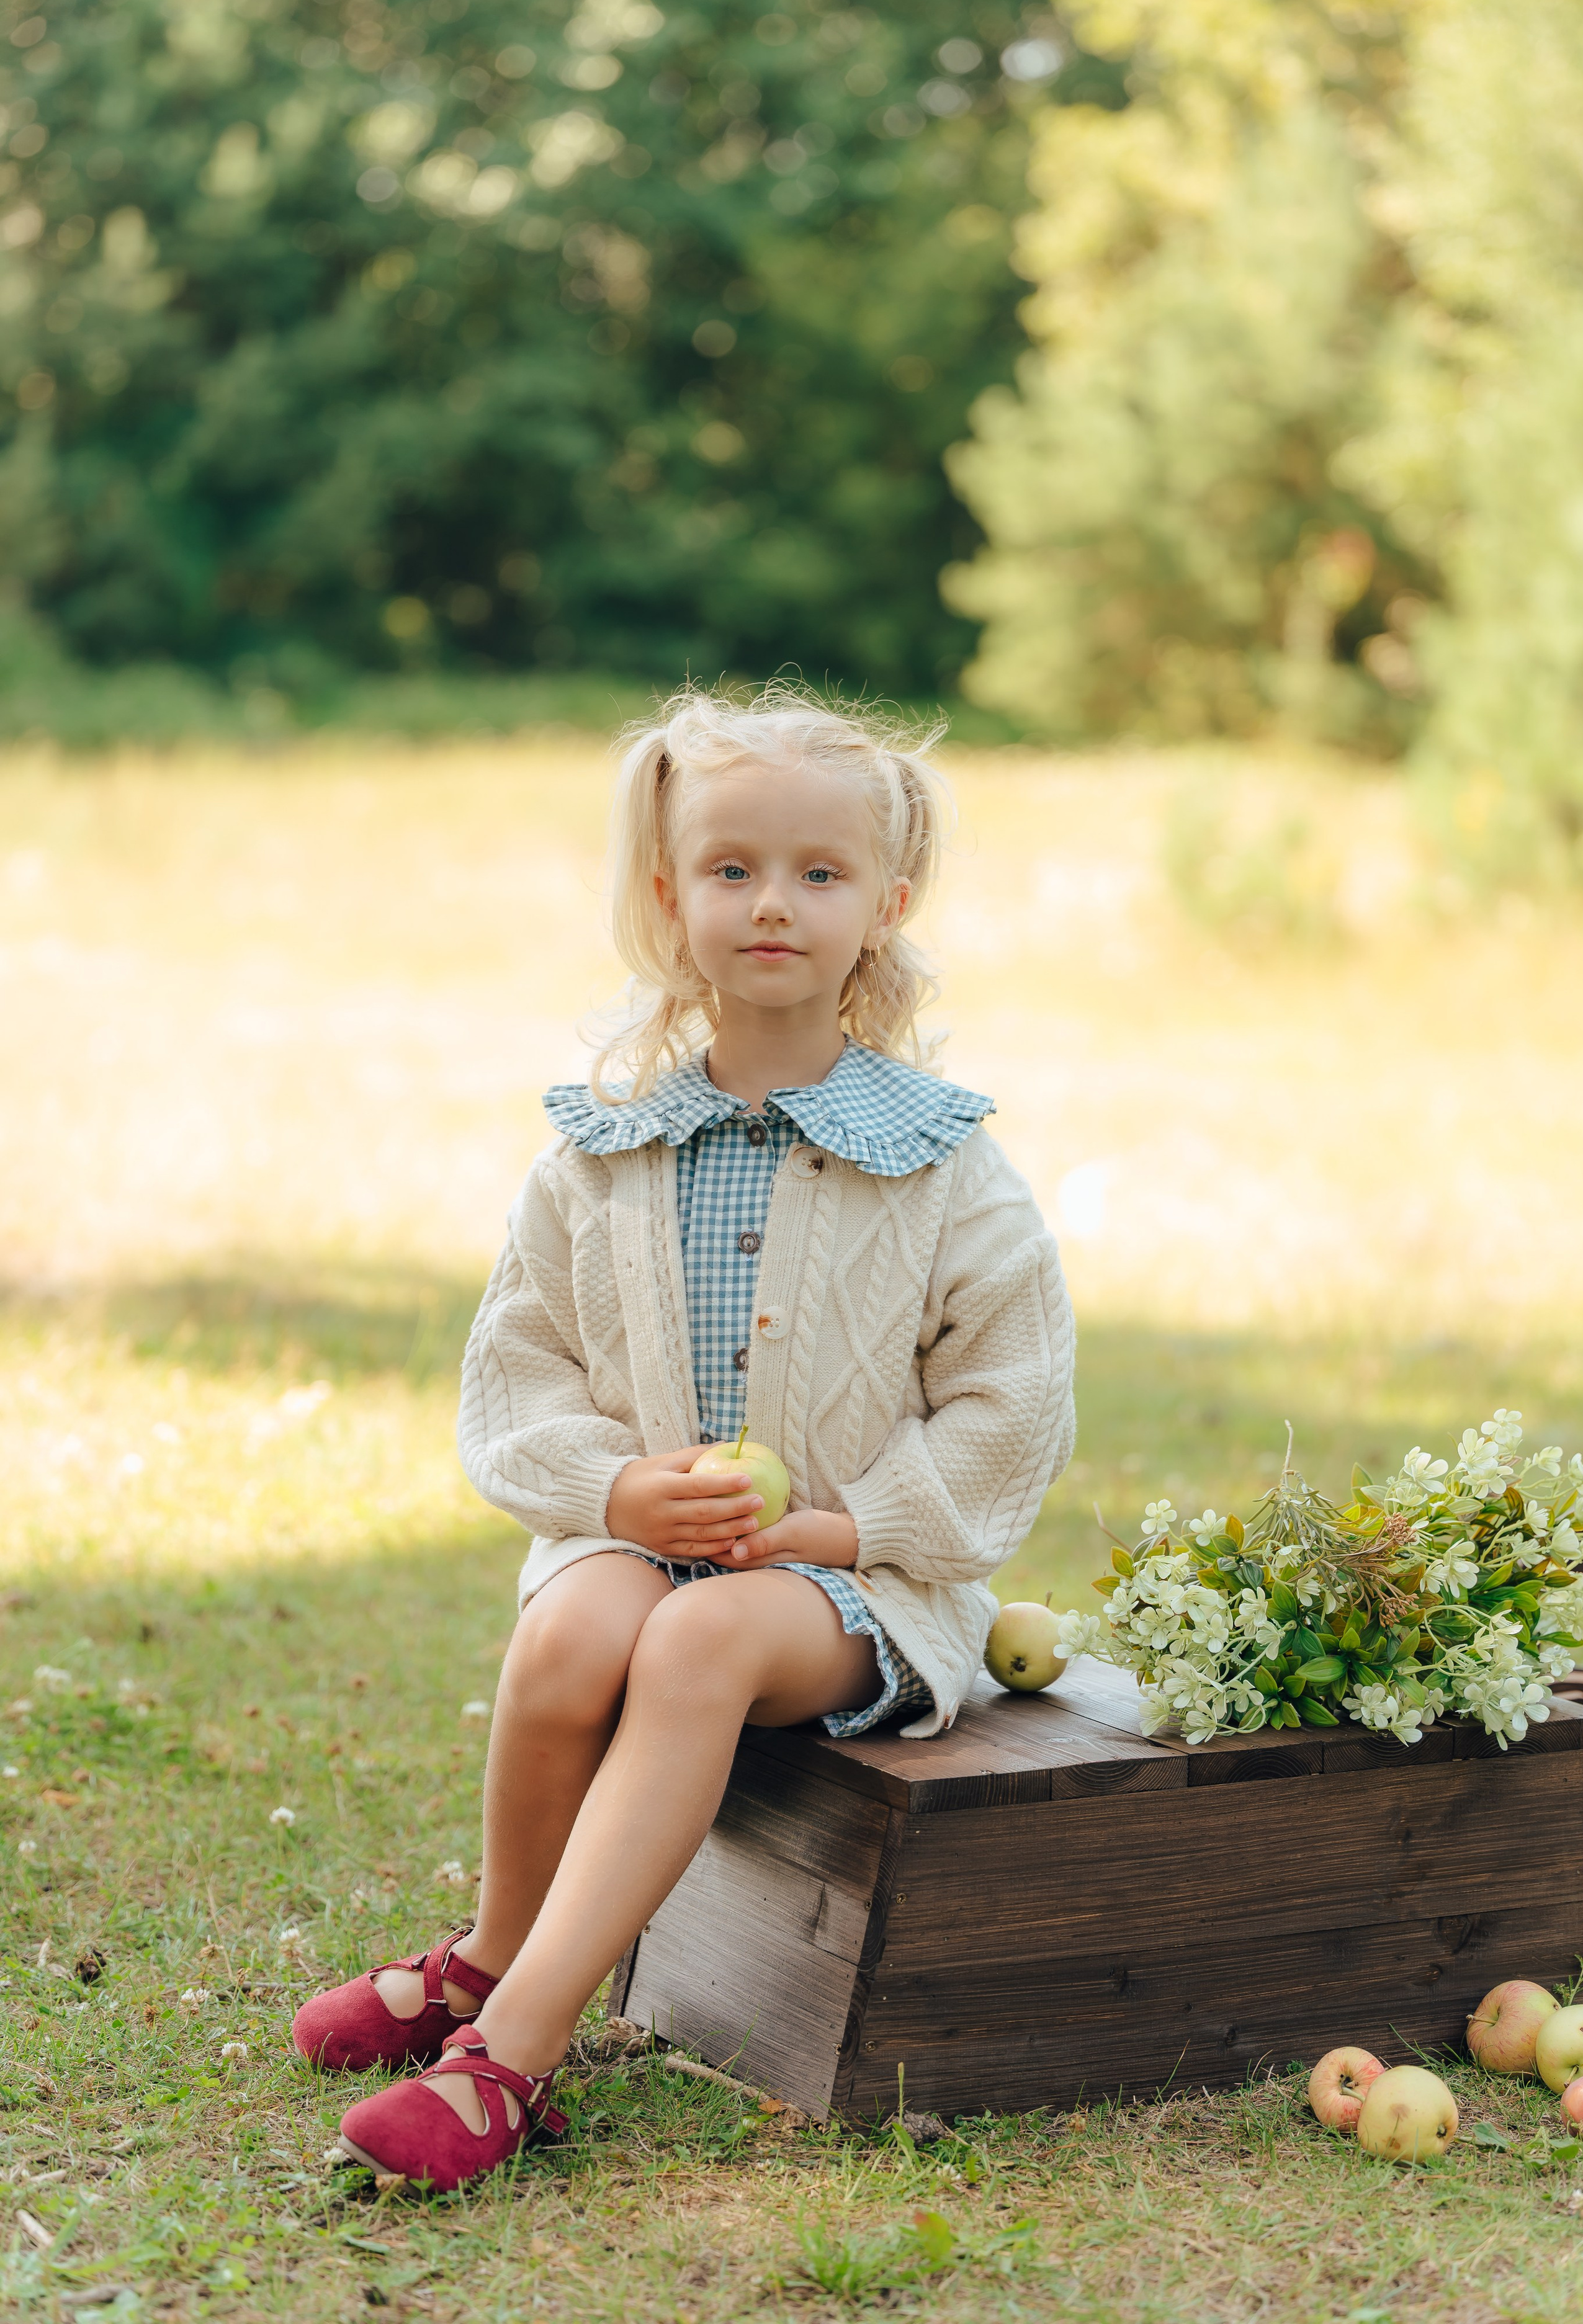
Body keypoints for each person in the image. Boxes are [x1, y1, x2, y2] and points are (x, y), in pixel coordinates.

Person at [291, 685, 1075, 2189]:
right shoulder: (601, 1148)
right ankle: (490, 1946)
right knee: (578, 1628)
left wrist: (844, 1531)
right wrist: (614, 1489)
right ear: (668, 895)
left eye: (817, 874)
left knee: (695, 1648)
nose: (771, 904)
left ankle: (509, 2057)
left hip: (856, 1590)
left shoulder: (944, 1168)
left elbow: (1012, 1403)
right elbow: (517, 1374)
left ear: (883, 905)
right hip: (647, 1543)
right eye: (730, 870)